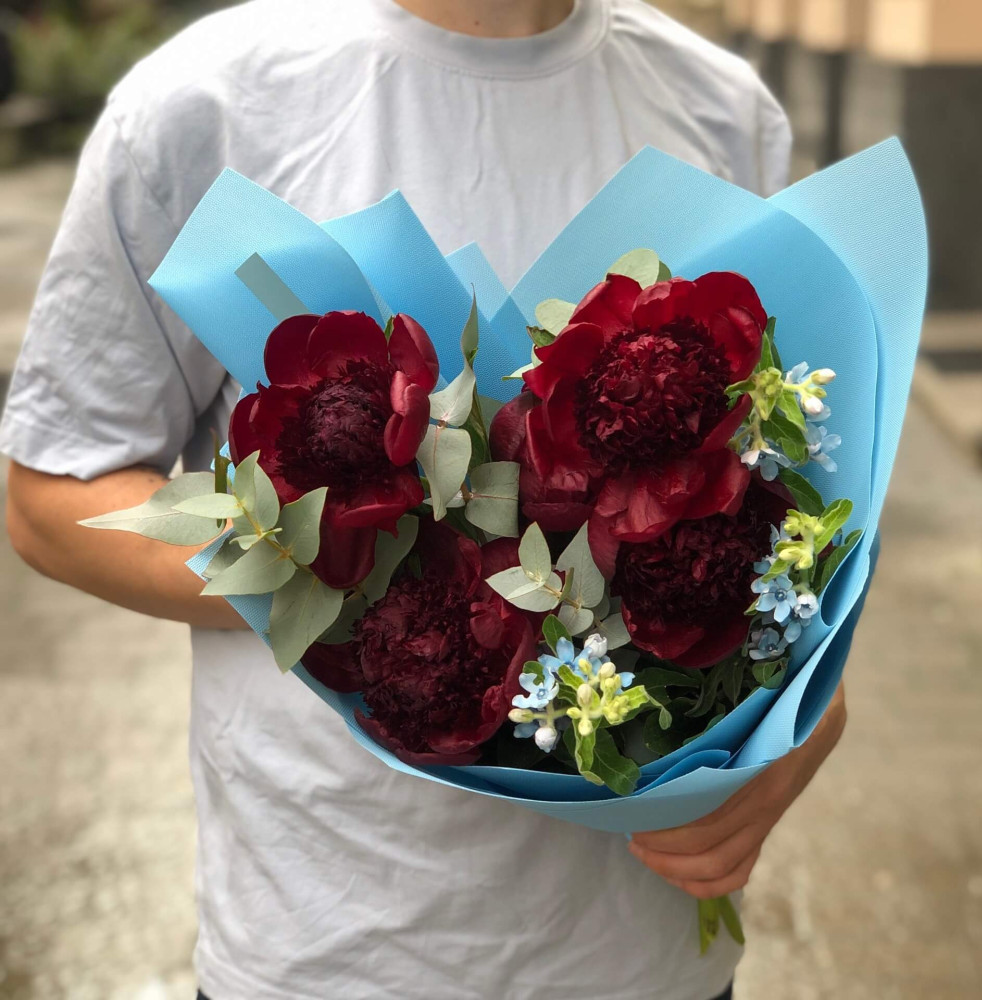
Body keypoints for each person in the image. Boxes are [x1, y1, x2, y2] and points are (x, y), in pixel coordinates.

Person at [1, 2, 847, 998]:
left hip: (641, 953)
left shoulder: (723, 113)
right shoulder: (207, 106)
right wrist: (352, 576)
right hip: (327, 942)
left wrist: (806, 713)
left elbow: (800, 506)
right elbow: (51, 491)